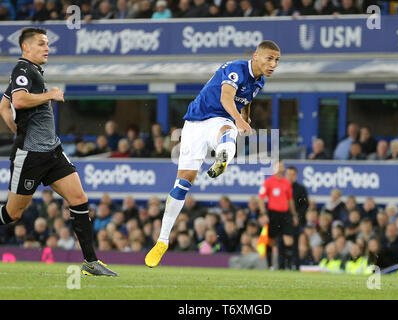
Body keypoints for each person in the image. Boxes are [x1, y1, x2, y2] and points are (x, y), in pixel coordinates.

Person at [145, 40, 281, 268]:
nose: (273, 64)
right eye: (269, 58)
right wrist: (240, 120)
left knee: (228, 132)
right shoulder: (237, 69)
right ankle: (162, 241)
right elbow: (226, 98)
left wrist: (245, 116)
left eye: (277, 60)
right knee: (182, 184)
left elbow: (245, 98)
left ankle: (222, 157)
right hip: (195, 123)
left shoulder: (260, 81)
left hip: (220, 120)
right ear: (256, 56)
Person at [0, 28, 117, 277]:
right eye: (41, 44)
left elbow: (4, 104)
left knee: (79, 199)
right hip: (31, 155)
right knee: (13, 214)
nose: (47, 48)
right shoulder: (23, 69)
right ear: (26, 48)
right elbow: (18, 101)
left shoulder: (32, 72)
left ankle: (90, 262)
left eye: (48, 44)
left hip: (52, 151)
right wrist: (49, 95)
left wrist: (15, 128)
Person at [258, 161, 298, 270]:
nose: (280, 168)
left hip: (285, 214)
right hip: (273, 214)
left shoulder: (287, 183)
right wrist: (264, 213)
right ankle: (270, 265)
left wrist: (294, 215)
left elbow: (290, 200)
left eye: (282, 166)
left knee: (288, 240)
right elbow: (261, 199)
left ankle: (288, 265)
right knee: (270, 240)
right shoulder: (268, 182)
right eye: (278, 166)